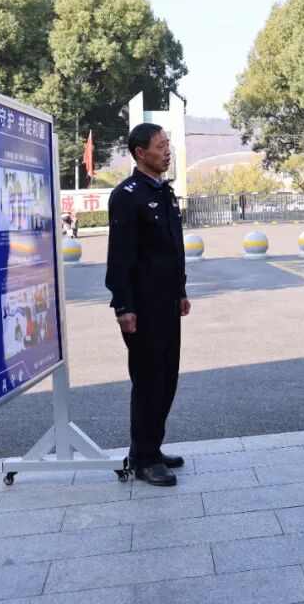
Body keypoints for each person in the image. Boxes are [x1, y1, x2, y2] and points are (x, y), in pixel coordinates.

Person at [106, 123, 192, 487]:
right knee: (148, 380)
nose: (167, 151)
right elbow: (119, 257)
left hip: (168, 302)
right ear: (140, 153)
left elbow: (173, 249)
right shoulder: (127, 196)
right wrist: (123, 306)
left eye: (167, 144)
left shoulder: (164, 192)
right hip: (141, 307)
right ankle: (143, 459)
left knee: (167, 377)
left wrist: (181, 290)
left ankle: (150, 446)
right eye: (160, 146)